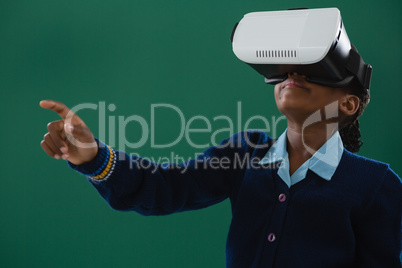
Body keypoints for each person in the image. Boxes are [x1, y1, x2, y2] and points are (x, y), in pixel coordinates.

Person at [40, 71, 402, 267]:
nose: (294, 73)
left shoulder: (377, 185)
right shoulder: (245, 151)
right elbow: (167, 187)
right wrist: (94, 157)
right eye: (289, 67)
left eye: (316, 68)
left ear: (348, 103)